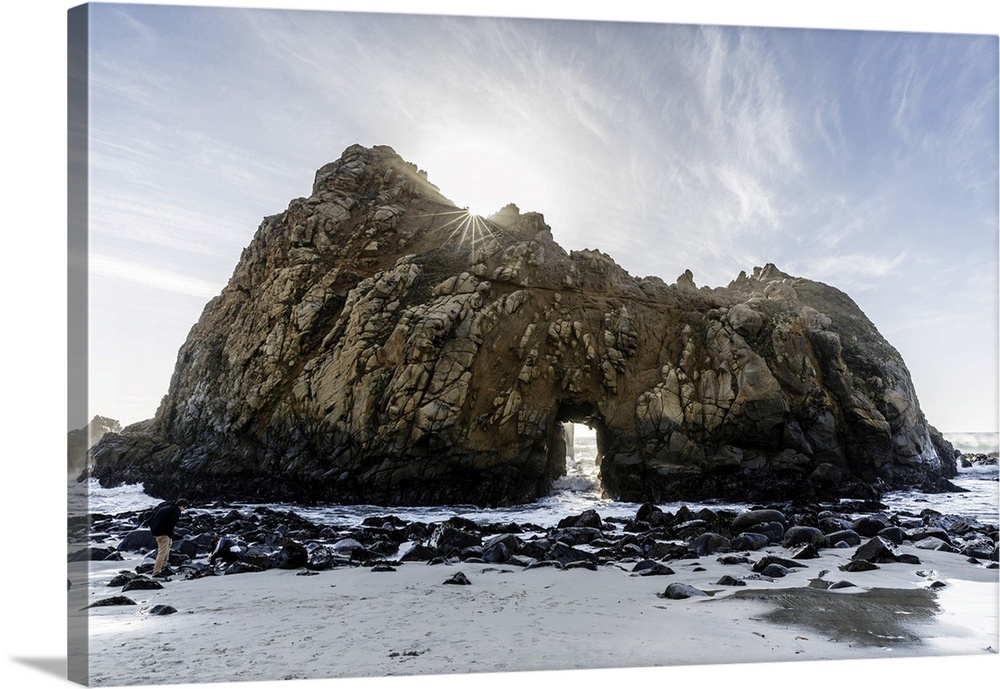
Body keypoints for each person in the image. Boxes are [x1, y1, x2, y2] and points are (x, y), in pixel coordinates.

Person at [147, 498, 189, 577]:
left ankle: (164, 566)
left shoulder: (166, 507)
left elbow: (152, 519)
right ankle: (156, 572)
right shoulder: (176, 511)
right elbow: (171, 524)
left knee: (168, 545)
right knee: (162, 552)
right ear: (182, 506)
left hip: (156, 531)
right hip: (163, 532)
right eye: (185, 508)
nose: (184, 510)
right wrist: (170, 534)